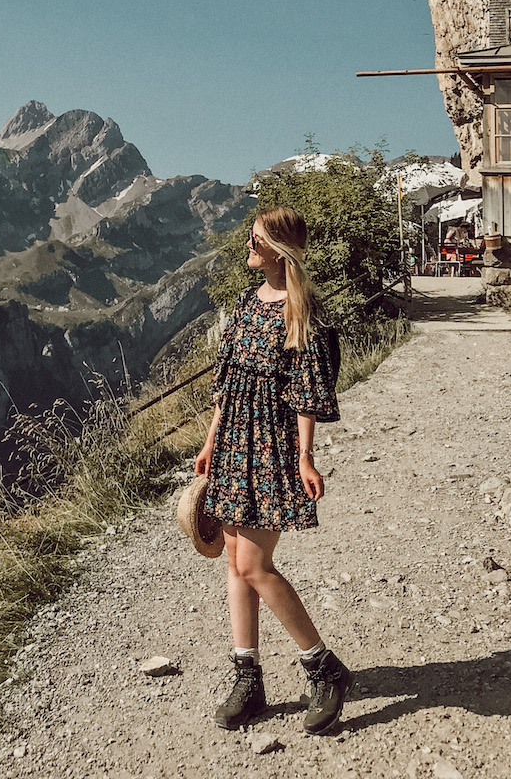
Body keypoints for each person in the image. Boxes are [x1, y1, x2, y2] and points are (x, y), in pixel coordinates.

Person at [194, 207, 350, 735]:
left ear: (277, 251)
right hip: (234, 440)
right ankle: (248, 678)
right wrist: (211, 440)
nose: (248, 246)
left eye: (255, 240)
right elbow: (227, 379)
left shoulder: (303, 311)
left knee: (256, 564)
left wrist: (305, 455)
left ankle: (324, 669)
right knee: (235, 562)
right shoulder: (246, 302)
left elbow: (306, 391)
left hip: (271, 445)